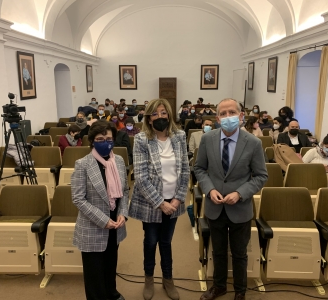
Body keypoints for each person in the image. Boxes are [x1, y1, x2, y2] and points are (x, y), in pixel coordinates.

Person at [194, 98, 268, 300]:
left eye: (232, 112)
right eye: (223, 114)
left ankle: (239, 291)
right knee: (217, 251)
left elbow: (261, 175)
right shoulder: (207, 139)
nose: (228, 117)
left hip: (240, 208)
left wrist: (240, 193)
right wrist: (209, 190)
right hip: (215, 206)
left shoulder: (253, 143)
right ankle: (219, 287)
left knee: (239, 253)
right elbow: (199, 169)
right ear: (217, 118)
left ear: (241, 116)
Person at [129, 98, 189, 300]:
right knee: (151, 242)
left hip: (174, 202)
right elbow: (141, 176)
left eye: (163, 113)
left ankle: (168, 279)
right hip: (151, 203)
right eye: (155, 113)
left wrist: (178, 199)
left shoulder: (179, 136)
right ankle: (148, 279)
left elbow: (185, 170)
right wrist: (160, 203)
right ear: (148, 117)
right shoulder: (141, 140)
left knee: (166, 242)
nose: (160, 117)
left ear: (170, 115)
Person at [71, 120, 128, 300]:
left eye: (109, 138)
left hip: (115, 224)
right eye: (100, 139)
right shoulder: (82, 164)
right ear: (92, 141)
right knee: (94, 273)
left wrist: (122, 213)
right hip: (94, 226)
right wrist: (103, 220)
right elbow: (78, 198)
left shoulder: (118, 161)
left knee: (111, 265)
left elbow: (125, 191)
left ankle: (112, 293)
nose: (106, 142)